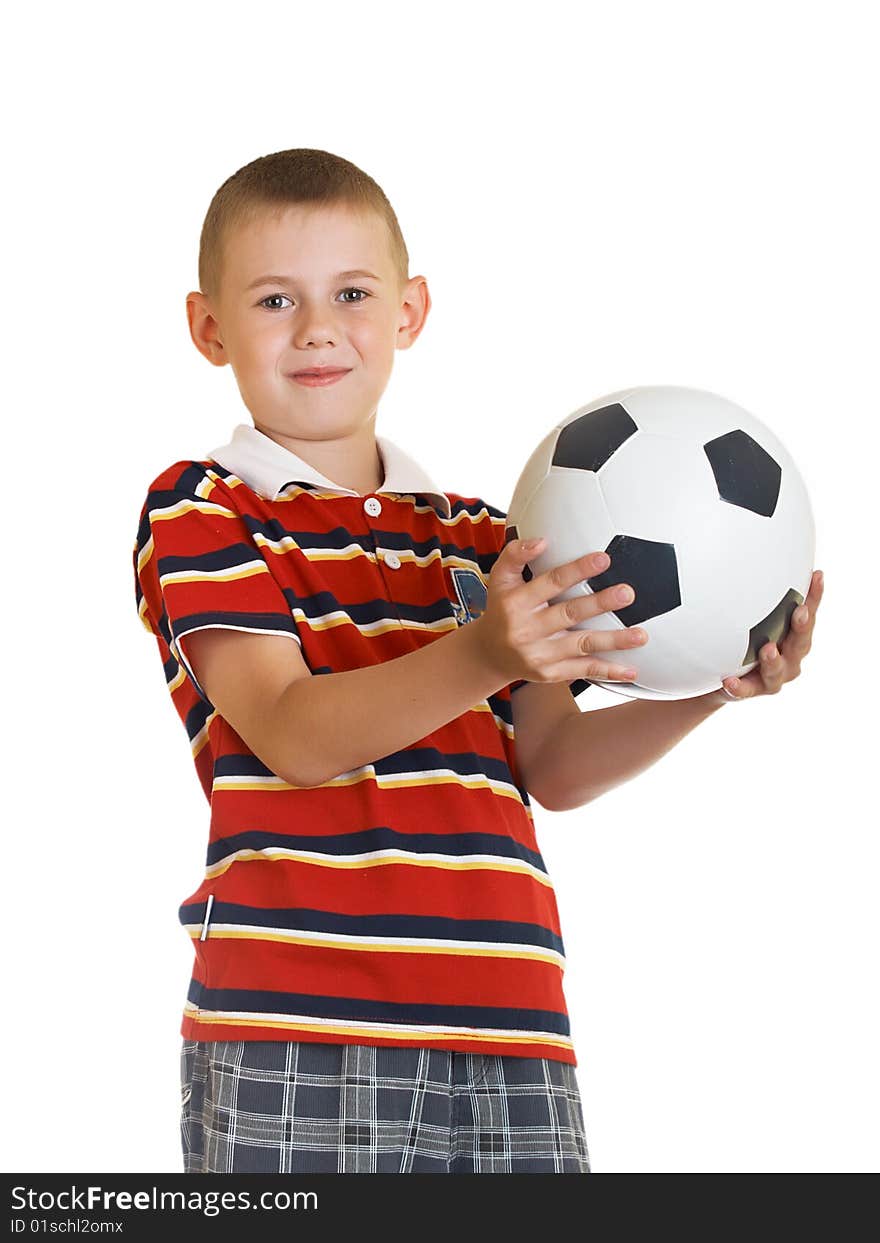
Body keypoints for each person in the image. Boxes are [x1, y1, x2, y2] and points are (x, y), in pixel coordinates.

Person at [132, 148, 823, 1175]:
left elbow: (550, 765)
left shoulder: (482, 538)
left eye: (352, 294)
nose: (319, 328)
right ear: (209, 327)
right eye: (276, 299)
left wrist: (710, 691)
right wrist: (484, 648)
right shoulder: (203, 509)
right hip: (301, 1025)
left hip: (511, 1025)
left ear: (408, 312)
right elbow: (291, 734)